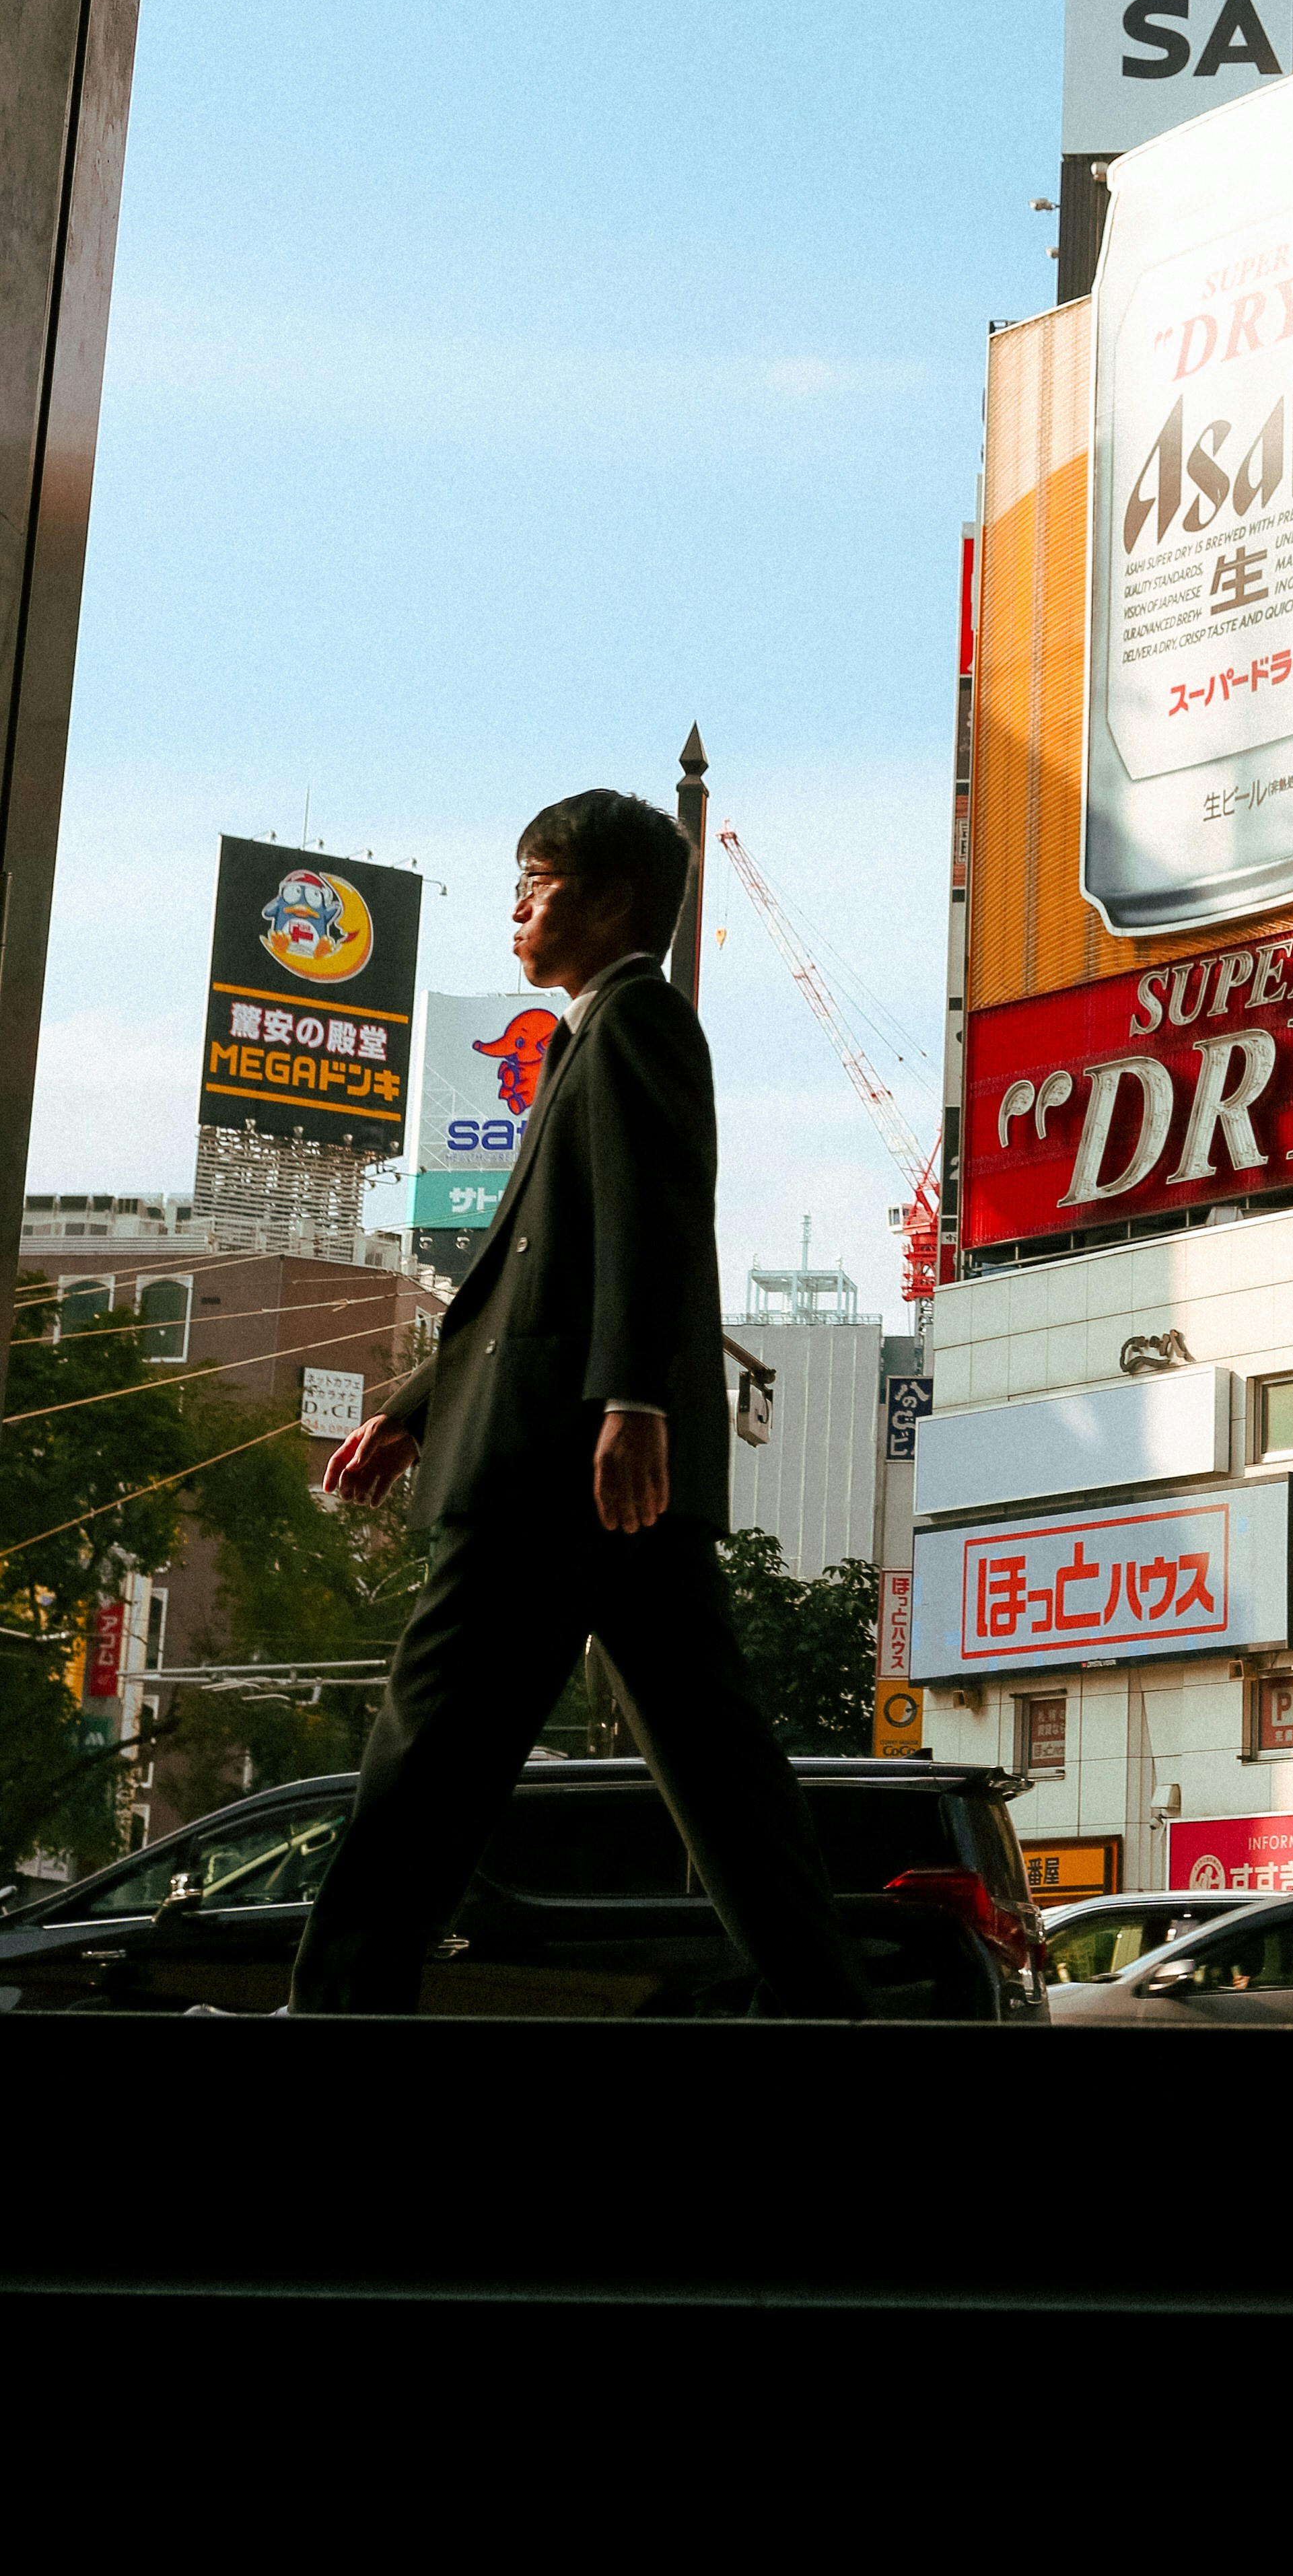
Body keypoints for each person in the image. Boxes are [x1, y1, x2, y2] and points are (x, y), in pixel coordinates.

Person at [292, 786, 855, 2017]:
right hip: (581, 1459)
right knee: (715, 1764)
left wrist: (634, 1404)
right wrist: (416, 1404)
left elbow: (657, 1223)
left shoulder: (639, 1018)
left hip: (557, 1464)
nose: (517, 905)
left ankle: (338, 2001)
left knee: (430, 1749)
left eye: (537, 881)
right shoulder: (592, 1030)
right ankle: (823, 1997)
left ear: (611, 901)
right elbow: (535, 1269)